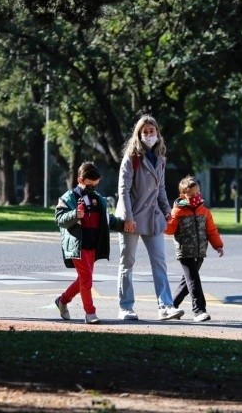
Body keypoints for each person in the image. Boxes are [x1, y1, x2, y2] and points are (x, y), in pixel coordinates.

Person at [115, 115, 184, 321]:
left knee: (159, 261)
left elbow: (160, 188)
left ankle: (166, 306)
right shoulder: (131, 158)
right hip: (131, 217)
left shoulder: (160, 159)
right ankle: (125, 307)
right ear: (138, 134)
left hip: (152, 218)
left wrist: (166, 210)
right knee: (127, 262)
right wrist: (128, 217)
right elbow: (123, 190)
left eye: (151, 131)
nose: (148, 135)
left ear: (157, 133)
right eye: (144, 132)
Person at [54, 162, 122, 324]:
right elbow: (60, 219)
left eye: (95, 186)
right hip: (77, 245)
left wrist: (124, 224)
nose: (92, 189)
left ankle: (62, 301)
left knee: (83, 280)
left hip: (93, 245)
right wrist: (75, 214)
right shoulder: (68, 198)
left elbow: (107, 220)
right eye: (89, 185)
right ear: (80, 180)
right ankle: (90, 313)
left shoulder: (99, 199)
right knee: (86, 279)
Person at [165, 175, 224, 322]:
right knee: (194, 280)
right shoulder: (177, 211)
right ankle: (199, 310)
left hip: (200, 251)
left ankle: (170, 306)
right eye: (191, 195)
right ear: (182, 195)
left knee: (188, 281)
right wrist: (165, 220)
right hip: (185, 252)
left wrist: (218, 246)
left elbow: (211, 230)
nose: (195, 197)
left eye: (197, 194)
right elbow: (170, 230)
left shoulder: (204, 212)